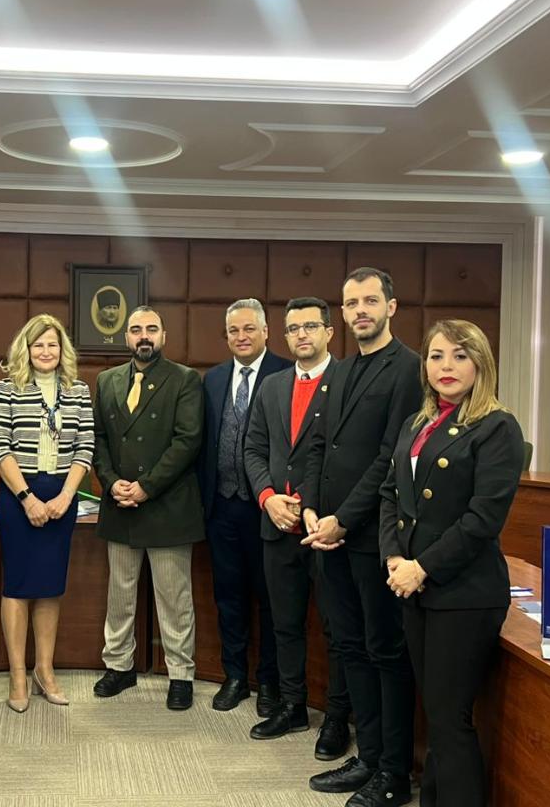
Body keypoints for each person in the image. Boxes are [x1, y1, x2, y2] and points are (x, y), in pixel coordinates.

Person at [379, 319, 523, 807]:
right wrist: (394, 556)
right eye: (436, 356)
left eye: (460, 356)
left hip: (464, 593)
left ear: (481, 363)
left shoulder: (497, 426)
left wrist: (422, 567)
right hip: (416, 587)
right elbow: (390, 493)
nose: (447, 366)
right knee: (437, 716)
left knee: (450, 719)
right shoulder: (418, 422)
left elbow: (482, 520)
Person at [300, 268, 422, 807]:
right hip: (328, 535)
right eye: (351, 303)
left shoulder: (409, 368)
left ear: (391, 307)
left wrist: (343, 519)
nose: (360, 311)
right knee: (349, 647)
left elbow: (389, 458)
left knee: (385, 653)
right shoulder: (341, 369)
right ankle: (368, 757)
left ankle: (393, 772)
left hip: (374, 538)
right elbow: (317, 444)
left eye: (370, 300)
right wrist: (310, 507)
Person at [244, 297, 352, 759]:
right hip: (276, 526)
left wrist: (305, 503)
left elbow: (344, 457)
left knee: (337, 629)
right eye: (293, 328)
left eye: (310, 326)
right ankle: (292, 706)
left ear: (329, 331)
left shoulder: (347, 382)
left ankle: (338, 717)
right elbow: (252, 449)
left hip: (326, 530)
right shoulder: (272, 387)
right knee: (285, 624)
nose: (301, 335)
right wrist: (268, 498)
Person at [91, 306, 205, 710]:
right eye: (136, 329)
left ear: (164, 336)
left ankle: (180, 674)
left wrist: (146, 487)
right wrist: (111, 482)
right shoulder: (107, 380)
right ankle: (118, 666)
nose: (144, 336)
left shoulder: (185, 379)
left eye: (151, 329)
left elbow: (187, 441)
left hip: (167, 505)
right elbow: (98, 439)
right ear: (126, 338)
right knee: (119, 594)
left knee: (174, 598)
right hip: (120, 503)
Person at [0, 314, 94, 712]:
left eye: (53, 344)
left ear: (62, 350)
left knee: (50, 586)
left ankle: (44, 670)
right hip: (19, 496)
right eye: (38, 345)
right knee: (18, 586)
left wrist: (67, 495)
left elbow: (86, 446)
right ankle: (17, 674)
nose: (46, 351)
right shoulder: (8, 388)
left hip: (61, 496)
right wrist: (27, 498)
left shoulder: (78, 390)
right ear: (26, 349)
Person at [197, 298, 290, 715]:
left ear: (266, 332)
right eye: (234, 330)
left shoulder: (285, 374)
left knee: (270, 598)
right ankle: (234, 676)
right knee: (228, 596)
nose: (242, 336)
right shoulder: (214, 379)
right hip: (222, 507)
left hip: (267, 509)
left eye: (249, 328)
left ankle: (269, 681)